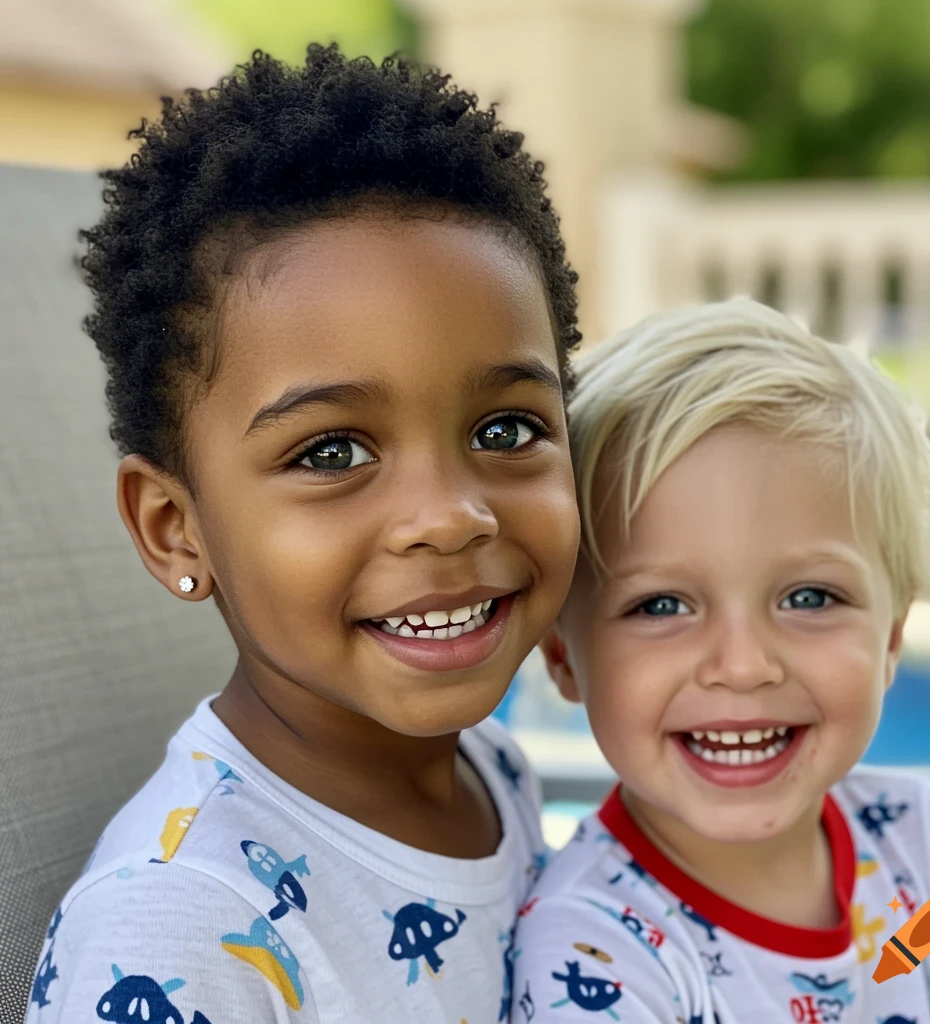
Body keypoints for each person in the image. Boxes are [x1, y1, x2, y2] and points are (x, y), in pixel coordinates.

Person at [25, 46, 582, 1023]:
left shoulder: (489, 768)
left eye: (506, 430)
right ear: (174, 529)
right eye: (331, 452)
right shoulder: (176, 930)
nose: (452, 513)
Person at [512, 300, 930, 1023]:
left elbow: (925, 973)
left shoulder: (928, 856)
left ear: (891, 638)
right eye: (661, 605)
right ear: (563, 655)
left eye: (809, 597)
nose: (744, 665)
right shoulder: (594, 950)